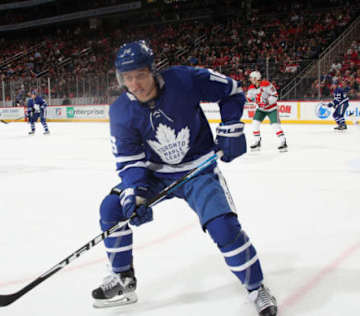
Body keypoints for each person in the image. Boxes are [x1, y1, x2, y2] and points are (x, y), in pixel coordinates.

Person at [91, 40, 277, 316]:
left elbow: (232, 91)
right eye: (127, 78)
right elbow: (130, 160)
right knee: (111, 207)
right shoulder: (121, 110)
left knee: (223, 227)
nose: (135, 84)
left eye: (140, 75)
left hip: (198, 169)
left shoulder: (184, 79)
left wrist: (231, 126)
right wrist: (136, 193)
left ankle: (256, 287)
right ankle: (122, 279)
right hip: (156, 174)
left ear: (153, 71)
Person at [246, 71, 287, 152]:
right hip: (260, 109)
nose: (250, 79)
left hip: (272, 108)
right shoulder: (251, 88)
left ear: (256, 78)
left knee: (275, 125)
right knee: (255, 123)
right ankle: (257, 141)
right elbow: (249, 98)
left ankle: (283, 141)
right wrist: (247, 98)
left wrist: (267, 102)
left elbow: (275, 95)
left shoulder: (266, 84)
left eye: (251, 78)